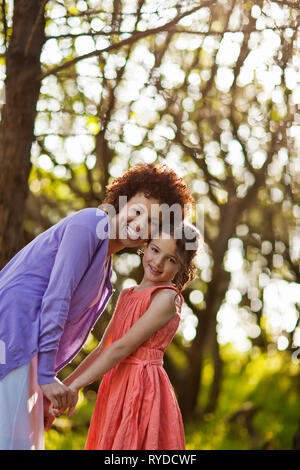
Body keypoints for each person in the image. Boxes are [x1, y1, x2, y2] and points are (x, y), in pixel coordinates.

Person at [0, 162, 194, 450]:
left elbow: (93, 340)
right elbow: (57, 297)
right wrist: (46, 379)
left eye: (153, 222)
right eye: (137, 210)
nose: (140, 224)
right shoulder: (90, 224)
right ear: (122, 200)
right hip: (12, 337)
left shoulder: (106, 267)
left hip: (27, 350)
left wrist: (58, 387)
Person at [53, 221, 201, 450]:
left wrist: (75, 387)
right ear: (146, 246)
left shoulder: (167, 299)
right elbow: (104, 348)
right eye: (155, 250)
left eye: (171, 259)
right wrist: (67, 387)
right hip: (116, 385)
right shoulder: (127, 294)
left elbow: (121, 348)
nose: (158, 262)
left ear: (182, 267)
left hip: (143, 388)